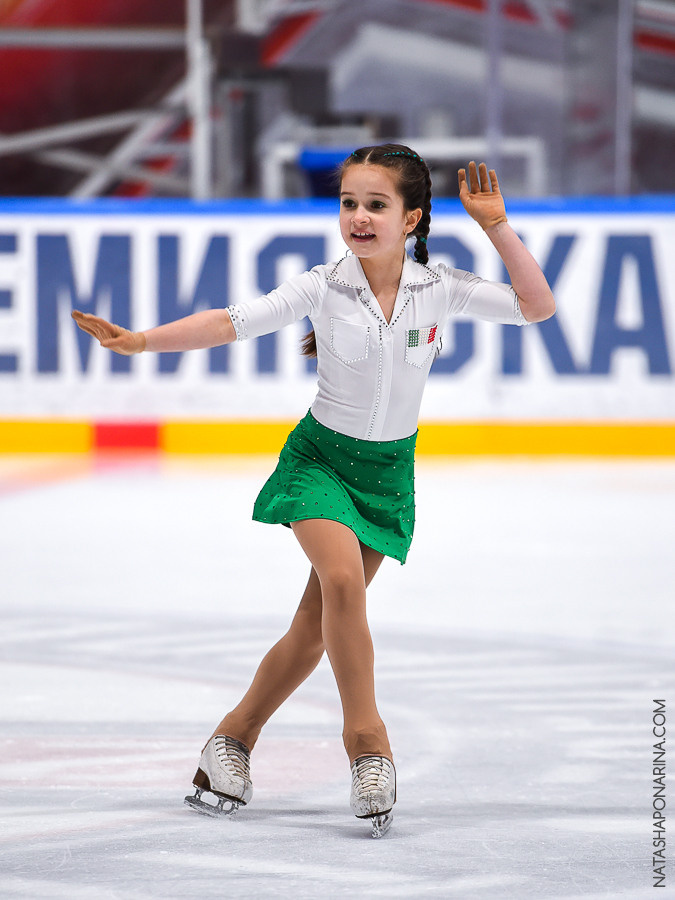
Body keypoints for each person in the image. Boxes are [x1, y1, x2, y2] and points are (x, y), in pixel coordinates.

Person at [72, 144, 555, 838]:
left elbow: (534, 307)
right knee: (341, 583)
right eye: (348, 203)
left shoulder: (438, 286)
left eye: (376, 205)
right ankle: (368, 746)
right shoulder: (321, 285)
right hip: (320, 463)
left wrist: (496, 226)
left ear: (412, 216)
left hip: (386, 475)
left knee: (311, 631)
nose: (357, 217)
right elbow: (230, 321)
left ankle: (230, 741)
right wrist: (141, 342)